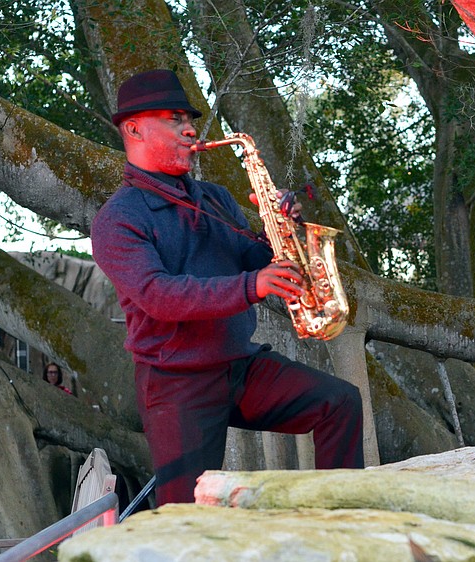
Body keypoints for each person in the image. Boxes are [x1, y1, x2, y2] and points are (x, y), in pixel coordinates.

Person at [90, 69, 365, 505]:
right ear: (135, 128)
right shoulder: (117, 219)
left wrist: (282, 232)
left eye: (189, 118)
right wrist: (252, 285)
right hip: (176, 382)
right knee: (188, 517)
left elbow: (257, 260)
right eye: (174, 118)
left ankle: (339, 522)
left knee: (339, 401)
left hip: (239, 365)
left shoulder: (214, 197)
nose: (189, 128)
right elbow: (160, 296)